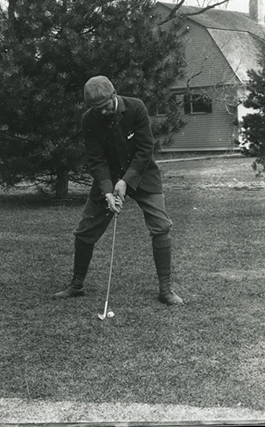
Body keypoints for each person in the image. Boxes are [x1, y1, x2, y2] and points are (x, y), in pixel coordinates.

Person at [53, 75, 183, 306]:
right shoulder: (88, 120)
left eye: (104, 107)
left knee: (161, 227)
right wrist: (107, 191)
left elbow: (145, 150)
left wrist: (126, 181)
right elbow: (96, 160)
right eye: (96, 109)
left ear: (114, 95)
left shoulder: (136, 107)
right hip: (108, 179)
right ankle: (77, 284)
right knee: (84, 232)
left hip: (143, 175)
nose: (101, 113)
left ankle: (165, 289)